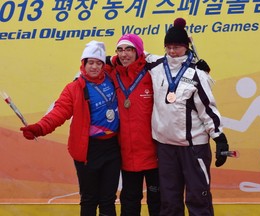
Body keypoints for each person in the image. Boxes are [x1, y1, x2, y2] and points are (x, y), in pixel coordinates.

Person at [20, 40, 121, 216]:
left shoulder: (111, 77)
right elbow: (58, 112)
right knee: (89, 199)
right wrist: (39, 128)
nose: (95, 67)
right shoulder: (74, 88)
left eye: (98, 63)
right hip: (88, 150)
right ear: (83, 64)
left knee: (108, 199)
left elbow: (122, 59)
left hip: (113, 148)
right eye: (90, 62)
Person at [145, 18, 229, 216]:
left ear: (186, 47)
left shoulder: (197, 74)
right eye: (169, 47)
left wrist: (220, 139)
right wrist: (110, 60)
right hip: (165, 146)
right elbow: (135, 53)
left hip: (193, 148)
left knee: (198, 198)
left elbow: (208, 109)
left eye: (177, 47)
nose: (172, 52)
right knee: (169, 200)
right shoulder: (155, 66)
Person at [105, 34, 160, 216]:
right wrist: (108, 60)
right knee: (129, 201)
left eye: (129, 49)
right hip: (128, 154)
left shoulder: (153, 72)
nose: (124, 54)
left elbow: (174, 66)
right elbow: (92, 69)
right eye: (120, 50)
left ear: (138, 52)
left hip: (155, 153)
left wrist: (197, 67)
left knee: (158, 201)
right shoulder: (113, 73)